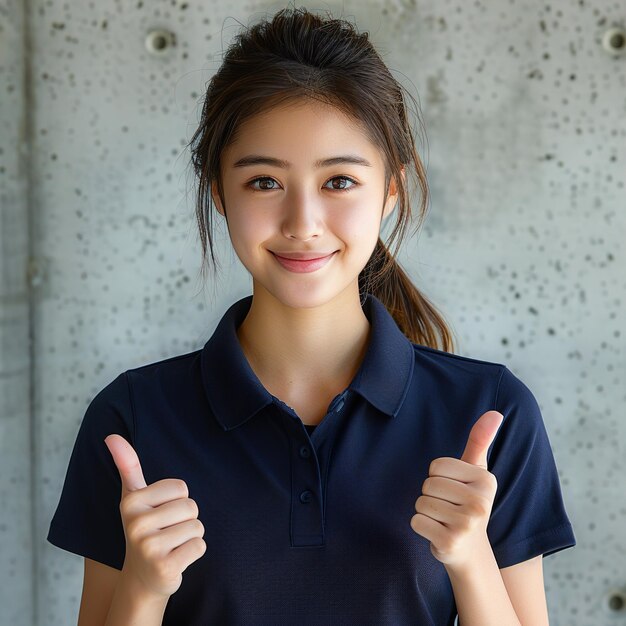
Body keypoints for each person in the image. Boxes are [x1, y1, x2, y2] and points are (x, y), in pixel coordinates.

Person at [47, 5, 576, 625]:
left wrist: (471, 562)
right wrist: (141, 591)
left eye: (340, 182)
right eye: (265, 182)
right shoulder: (131, 419)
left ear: (391, 189)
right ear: (218, 190)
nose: (302, 224)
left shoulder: (491, 414)